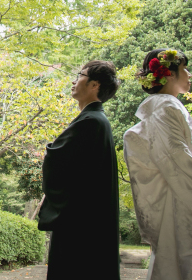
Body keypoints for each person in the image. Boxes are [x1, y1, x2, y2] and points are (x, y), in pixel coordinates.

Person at [123, 49, 192, 280]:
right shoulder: (166, 107)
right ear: (168, 74)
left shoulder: (167, 106)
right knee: (186, 265)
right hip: (181, 202)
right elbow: (180, 162)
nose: (189, 74)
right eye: (184, 69)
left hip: (183, 200)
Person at [37, 60, 121, 280]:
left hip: (80, 225)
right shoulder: (96, 120)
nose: (74, 81)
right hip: (90, 221)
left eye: (80, 75)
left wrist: (51, 152)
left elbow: (57, 163)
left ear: (95, 85)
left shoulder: (91, 121)